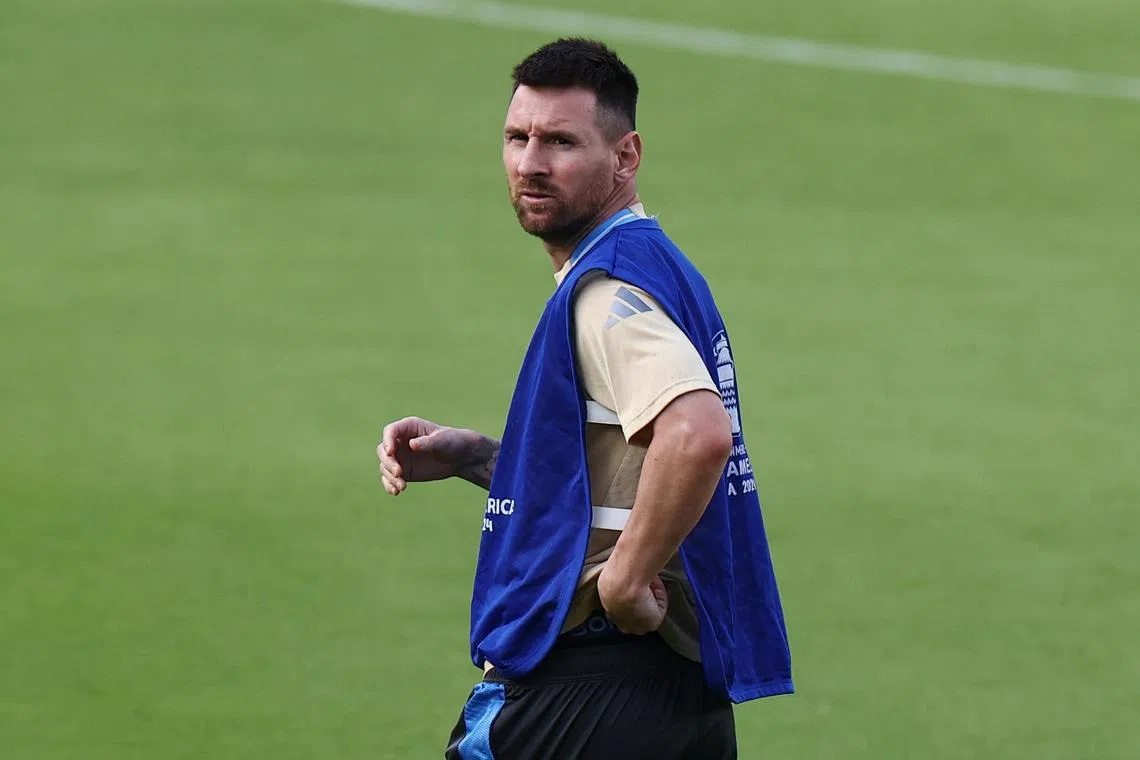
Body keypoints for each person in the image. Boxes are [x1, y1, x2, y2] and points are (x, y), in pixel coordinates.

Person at [377, 38, 793, 760]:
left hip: (591, 689)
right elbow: (629, 463)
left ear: (625, 157)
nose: (530, 163)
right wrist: (485, 459)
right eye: (518, 137)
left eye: (561, 142)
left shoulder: (606, 291)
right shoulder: (660, 264)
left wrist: (627, 579)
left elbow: (697, 434)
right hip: (674, 696)